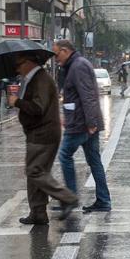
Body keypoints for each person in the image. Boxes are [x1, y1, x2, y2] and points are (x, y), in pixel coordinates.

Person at [8, 51, 79, 224]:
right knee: (36, 172)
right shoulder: (35, 79)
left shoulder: (41, 79)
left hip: (43, 133)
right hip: (37, 132)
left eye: (19, 65)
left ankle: (67, 197)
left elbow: (38, 108)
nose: (17, 69)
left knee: (35, 171)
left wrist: (17, 102)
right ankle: (38, 212)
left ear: (28, 62)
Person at [53, 40, 111, 213]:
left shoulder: (78, 66)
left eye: (57, 54)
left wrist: (91, 122)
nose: (56, 59)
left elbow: (88, 95)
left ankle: (70, 198)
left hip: (81, 124)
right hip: (83, 121)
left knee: (64, 155)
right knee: (94, 161)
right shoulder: (75, 65)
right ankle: (103, 200)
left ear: (65, 51)